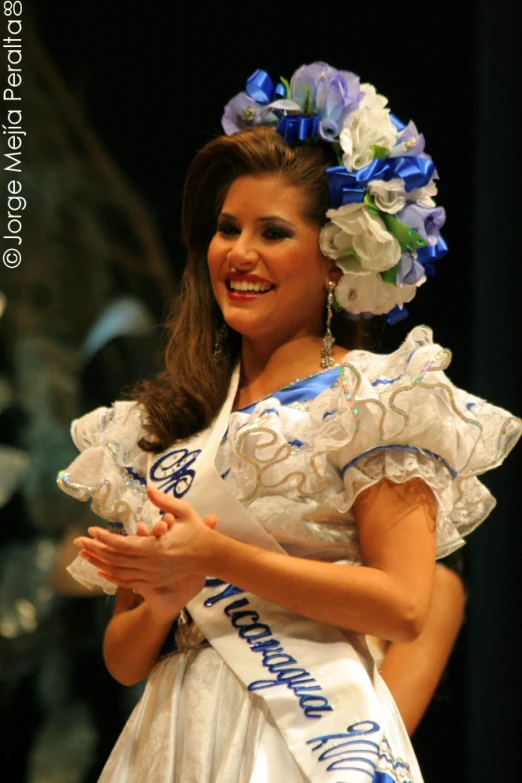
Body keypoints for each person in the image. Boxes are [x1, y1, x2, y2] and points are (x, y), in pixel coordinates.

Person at [58, 62, 521, 782]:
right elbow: (123, 658)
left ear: (336, 260)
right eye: (226, 228)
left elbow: (403, 606)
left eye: (272, 232)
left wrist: (217, 559)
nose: (238, 252)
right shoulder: (171, 424)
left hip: (306, 746)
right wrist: (165, 599)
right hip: (172, 740)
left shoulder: (374, 401)